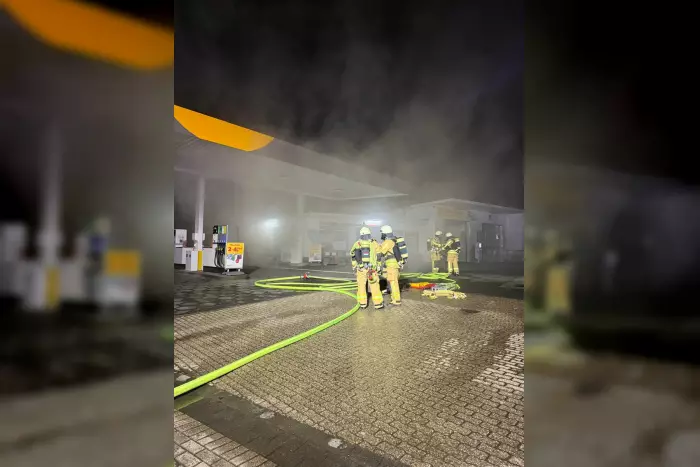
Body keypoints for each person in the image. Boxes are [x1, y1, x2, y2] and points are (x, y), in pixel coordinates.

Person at [349, 226, 384, 309]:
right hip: (372, 269)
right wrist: (379, 265)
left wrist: (355, 266)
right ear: (369, 234)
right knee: (374, 285)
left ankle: (362, 303)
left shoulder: (357, 243)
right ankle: (378, 304)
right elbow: (379, 255)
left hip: (361, 269)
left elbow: (353, 254)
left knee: (361, 286)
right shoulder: (374, 243)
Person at [376, 225, 402, 306]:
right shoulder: (392, 241)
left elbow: (380, 252)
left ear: (385, 233)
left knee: (393, 283)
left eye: (382, 233)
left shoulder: (388, 242)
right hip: (393, 265)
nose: (382, 235)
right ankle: (393, 297)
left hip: (392, 266)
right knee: (391, 281)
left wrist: (375, 245)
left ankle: (396, 300)